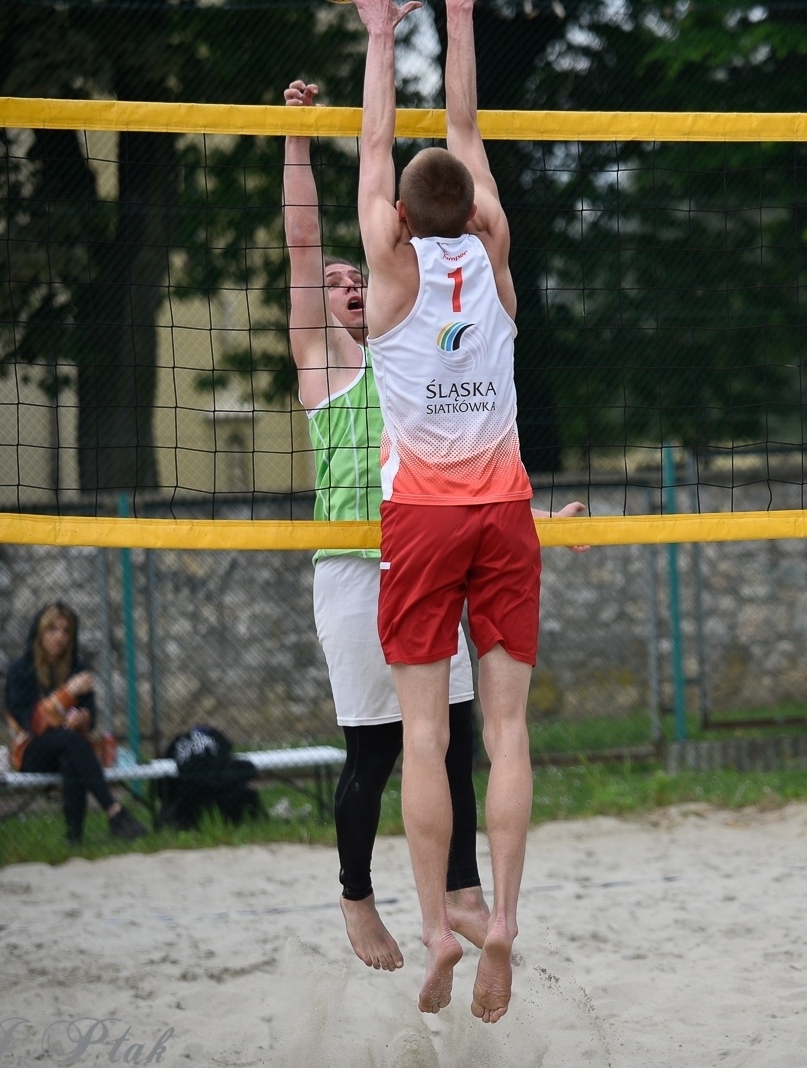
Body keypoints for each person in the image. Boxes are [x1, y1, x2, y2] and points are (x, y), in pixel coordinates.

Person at [354, 0, 552, 1023]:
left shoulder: (389, 272)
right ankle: (504, 916)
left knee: (425, 738)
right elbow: (461, 133)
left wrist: (382, 34)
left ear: (398, 218)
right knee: (507, 731)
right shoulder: (497, 259)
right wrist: (460, 17)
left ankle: (437, 927)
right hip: (505, 508)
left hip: (424, 522)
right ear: (474, 211)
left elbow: (381, 140)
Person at [282, 78, 491, 974]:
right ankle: (357, 896)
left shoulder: (416, 341)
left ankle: (459, 888)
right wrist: (296, 139)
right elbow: (300, 243)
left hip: (428, 556)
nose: (341, 283)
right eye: (331, 282)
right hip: (354, 570)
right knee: (373, 749)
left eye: (352, 272)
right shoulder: (324, 364)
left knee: (459, 738)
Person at [4, 602, 149, 847]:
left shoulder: (77, 668)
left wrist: (81, 719)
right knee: (70, 742)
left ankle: (75, 838)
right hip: (30, 750)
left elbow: (90, 719)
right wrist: (67, 693)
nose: (59, 637)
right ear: (40, 632)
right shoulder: (21, 671)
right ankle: (114, 811)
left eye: (65, 631)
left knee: (70, 755)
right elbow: (32, 723)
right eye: (52, 629)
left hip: (68, 746)